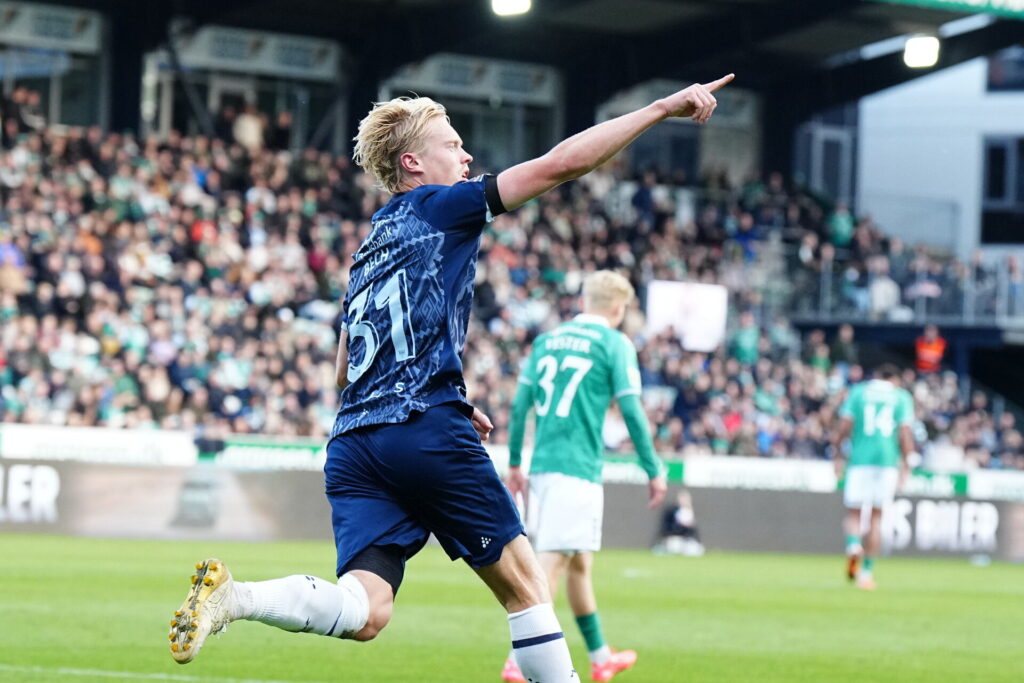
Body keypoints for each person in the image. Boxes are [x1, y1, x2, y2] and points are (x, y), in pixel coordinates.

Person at [168, 74, 733, 680]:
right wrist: (659, 108)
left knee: (365, 609)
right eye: (454, 146)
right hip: (422, 430)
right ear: (413, 162)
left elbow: (343, 370)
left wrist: (440, 392)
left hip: (355, 444)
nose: (467, 157)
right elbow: (560, 165)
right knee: (526, 587)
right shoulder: (441, 207)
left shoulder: (369, 246)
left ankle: (239, 599)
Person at [501, 270, 667, 682]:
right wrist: (653, 468)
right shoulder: (614, 343)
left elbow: (521, 406)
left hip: (542, 467)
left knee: (578, 564)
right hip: (577, 469)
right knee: (552, 562)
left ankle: (599, 656)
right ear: (617, 307)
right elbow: (631, 411)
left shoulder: (546, 342)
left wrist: (517, 463)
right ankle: (517, 660)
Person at [832, 364, 915, 590]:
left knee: (855, 514)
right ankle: (866, 573)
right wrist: (907, 464)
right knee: (876, 518)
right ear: (895, 379)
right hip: (887, 462)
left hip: (859, 460)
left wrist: (837, 452)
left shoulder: (859, 392)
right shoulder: (901, 397)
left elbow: (845, 426)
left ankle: (852, 545)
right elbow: (905, 432)